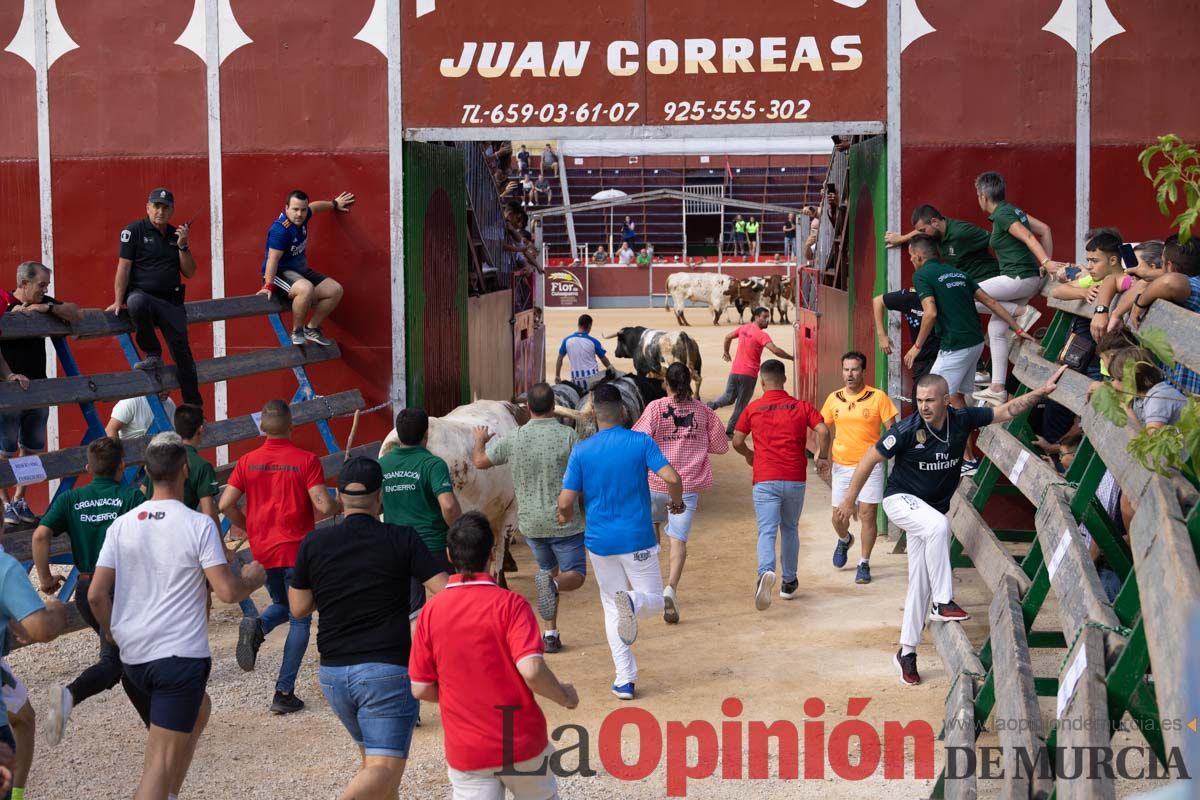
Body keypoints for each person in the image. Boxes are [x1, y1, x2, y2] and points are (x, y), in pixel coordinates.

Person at [834, 368, 1066, 685]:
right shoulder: (905, 430)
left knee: (919, 581)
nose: (924, 406)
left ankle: (907, 652)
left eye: (930, 400)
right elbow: (869, 459)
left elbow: (1005, 410)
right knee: (940, 527)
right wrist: (849, 500)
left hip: (926, 513)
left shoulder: (962, 420)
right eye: (919, 400)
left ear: (946, 400)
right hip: (901, 501)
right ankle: (943, 603)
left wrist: (1039, 393)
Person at [89, 432, 265, 800]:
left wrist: (112, 633)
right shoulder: (198, 525)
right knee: (158, 761)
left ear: (146, 473)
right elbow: (228, 592)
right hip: (177, 659)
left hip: (136, 658)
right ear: (185, 470)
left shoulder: (121, 525)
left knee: (200, 710)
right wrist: (250, 580)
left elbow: (96, 594)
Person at [289, 457, 449, 800]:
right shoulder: (402, 538)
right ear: (381, 496)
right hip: (385, 671)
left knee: (375, 769)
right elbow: (444, 589)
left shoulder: (314, 544)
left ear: (338, 495)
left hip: (333, 675)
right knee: (383, 770)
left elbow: (298, 607)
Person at [410, 512, 578, 799]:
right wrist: (564, 696)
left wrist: (460, 694)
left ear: (449, 555)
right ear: (491, 553)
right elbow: (532, 671)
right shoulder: (511, 605)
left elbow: (422, 688)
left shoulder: (429, 613)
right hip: (520, 741)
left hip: (467, 749)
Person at [557, 383, 684, 701]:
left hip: (600, 542)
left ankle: (625, 680)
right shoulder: (640, 442)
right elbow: (672, 477)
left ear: (593, 413)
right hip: (637, 538)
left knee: (611, 609)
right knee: (652, 601)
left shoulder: (582, 450)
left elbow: (566, 500)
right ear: (624, 411)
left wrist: (564, 515)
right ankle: (634, 602)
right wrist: (677, 502)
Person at [221, 400, 338, 714]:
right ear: (291, 427)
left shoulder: (247, 461)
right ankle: (283, 692)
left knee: (284, 605)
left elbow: (225, 504)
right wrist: (340, 505)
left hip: (264, 550)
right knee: (300, 618)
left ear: (263, 428)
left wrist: (251, 526)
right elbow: (324, 506)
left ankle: (257, 627)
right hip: (298, 551)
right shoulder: (306, 460)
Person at [32, 436, 149, 746]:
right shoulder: (131, 498)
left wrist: (44, 579)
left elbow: (41, 535)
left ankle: (156, 726)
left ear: (88, 468)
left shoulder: (71, 499)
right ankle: (69, 696)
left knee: (126, 658)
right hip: (121, 590)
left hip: (86, 591)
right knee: (114, 663)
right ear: (121, 465)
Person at [904, 235, 1034, 474]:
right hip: (975, 344)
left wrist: (917, 346)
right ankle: (968, 460)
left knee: (928, 395)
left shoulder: (922, 275)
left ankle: (937, 458)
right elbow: (993, 303)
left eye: (911, 256)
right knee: (956, 399)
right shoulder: (958, 274)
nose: (911, 260)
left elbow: (930, 313)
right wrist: (1017, 328)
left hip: (955, 347)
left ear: (919, 257)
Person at [472, 383, 585, 653]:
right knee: (576, 575)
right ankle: (553, 585)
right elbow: (585, 471)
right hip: (564, 521)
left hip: (531, 524)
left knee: (547, 570)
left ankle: (550, 633)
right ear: (553, 406)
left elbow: (479, 462)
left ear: (529, 408)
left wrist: (480, 440)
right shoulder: (568, 436)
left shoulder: (515, 437)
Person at [633, 363, 728, 623]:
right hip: (687, 488)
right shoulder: (703, 411)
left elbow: (636, 440)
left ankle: (651, 586)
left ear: (667, 384)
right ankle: (670, 588)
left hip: (655, 482)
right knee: (678, 540)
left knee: (651, 532)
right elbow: (721, 447)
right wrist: (696, 442)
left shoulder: (655, 408)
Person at [732, 360, 830, 611]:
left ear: (762, 382)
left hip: (765, 478)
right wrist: (822, 456)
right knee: (789, 528)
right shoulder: (800, 406)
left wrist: (749, 455)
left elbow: (737, 440)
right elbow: (823, 430)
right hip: (795, 478)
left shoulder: (754, 408)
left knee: (766, 531)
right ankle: (788, 582)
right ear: (784, 379)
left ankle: (766, 572)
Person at [0, 261, 82, 525]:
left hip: (38, 389)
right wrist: (7, 375)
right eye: (41, 285)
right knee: (5, 449)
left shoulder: (42, 302)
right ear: (24, 284)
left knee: (31, 448)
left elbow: (76, 313)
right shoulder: (4, 305)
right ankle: (4, 505)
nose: (44, 288)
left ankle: (20, 500)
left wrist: (47, 307)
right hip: (9, 391)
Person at [108, 188, 204, 407]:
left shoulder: (175, 235)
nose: (160, 211)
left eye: (165, 207)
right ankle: (152, 353)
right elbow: (123, 267)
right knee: (135, 302)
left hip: (171, 301)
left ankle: (194, 406)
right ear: (148, 208)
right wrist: (117, 300)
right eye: (157, 206)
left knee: (182, 353)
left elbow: (189, 272)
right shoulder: (133, 231)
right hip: (144, 295)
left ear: (172, 211)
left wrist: (183, 245)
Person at [972, 172, 1055, 404]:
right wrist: (1044, 264)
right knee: (997, 330)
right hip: (1026, 279)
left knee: (963, 294)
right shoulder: (1013, 210)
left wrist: (1046, 263)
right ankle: (998, 387)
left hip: (1017, 278)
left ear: (983, 196)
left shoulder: (1002, 215)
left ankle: (1021, 313)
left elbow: (1030, 237)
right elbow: (1045, 229)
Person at [818, 352, 898, 585]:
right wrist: (821, 453)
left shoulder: (878, 397)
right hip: (841, 465)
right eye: (846, 369)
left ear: (864, 371)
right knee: (838, 517)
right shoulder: (834, 398)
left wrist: (886, 454)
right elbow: (822, 427)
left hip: (870, 466)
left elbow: (892, 430)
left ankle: (864, 562)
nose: (849, 374)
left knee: (867, 514)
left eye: (854, 370)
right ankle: (844, 539)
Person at [0, 531, 65, 800]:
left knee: (25, 717)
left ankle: (17, 794)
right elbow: (42, 630)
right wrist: (56, 610)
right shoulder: (4, 566)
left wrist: (11, 617)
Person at [379, 408, 462, 619]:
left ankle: (414, 649)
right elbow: (449, 506)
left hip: (396, 547)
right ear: (426, 434)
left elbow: (376, 505)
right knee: (455, 600)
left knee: (412, 609)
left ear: (398, 433)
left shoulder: (382, 464)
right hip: (432, 547)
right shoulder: (432, 464)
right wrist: (460, 530)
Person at [257, 189, 353, 346]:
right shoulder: (280, 230)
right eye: (295, 209)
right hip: (279, 274)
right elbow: (272, 260)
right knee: (306, 288)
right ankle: (297, 331)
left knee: (335, 290)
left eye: (302, 209)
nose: (299, 214)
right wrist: (268, 285)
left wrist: (334, 204)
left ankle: (312, 328)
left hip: (299, 272)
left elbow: (314, 207)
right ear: (286, 208)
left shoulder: (304, 215)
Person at [1127, 234, 1200, 395]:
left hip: (1188, 395)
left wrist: (1140, 302)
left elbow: (1170, 282)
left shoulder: (1194, 285)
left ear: (1169, 266)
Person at [708, 306, 794, 438]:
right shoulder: (761, 334)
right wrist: (792, 358)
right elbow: (775, 350)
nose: (767, 320)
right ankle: (729, 431)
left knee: (728, 398)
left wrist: (726, 352)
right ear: (756, 317)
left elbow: (728, 337)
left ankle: (706, 407)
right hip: (748, 375)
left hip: (735, 371)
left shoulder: (744, 328)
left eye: (768, 317)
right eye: (764, 317)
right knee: (741, 405)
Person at [885, 205, 1001, 283]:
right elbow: (919, 230)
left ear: (934, 222)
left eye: (923, 231)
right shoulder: (934, 231)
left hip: (988, 278)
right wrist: (900, 239)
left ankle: (1019, 311)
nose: (922, 234)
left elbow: (997, 241)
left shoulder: (961, 232)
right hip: (967, 282)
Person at [873, 288, 940, 385]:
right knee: (920, 395)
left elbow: (932, 314)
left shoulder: (942, 296)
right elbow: (878, 301)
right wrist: (881, 335)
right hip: (920, 359)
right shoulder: (910, 297)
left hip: (943, 355)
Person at [555, 314, 613, 387]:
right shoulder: (594, 341)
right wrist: (611, 368)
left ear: (578, 324)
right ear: (589, 326)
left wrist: (557, 376)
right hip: (593, 379)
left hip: (576, 380)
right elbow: (604, 359)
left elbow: (560, 358)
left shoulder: (566, 340)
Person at [106, 392, 177, 441]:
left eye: (167, 387)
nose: (166, 392)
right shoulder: (132, 400)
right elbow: (111, 429)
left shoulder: (170, 403)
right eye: (162, 388)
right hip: (131, 457)